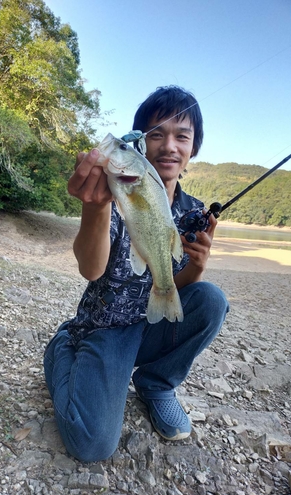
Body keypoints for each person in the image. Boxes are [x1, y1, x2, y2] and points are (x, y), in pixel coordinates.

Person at [44, 85, 229, 462]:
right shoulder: (116, 188)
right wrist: (95, 209)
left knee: (211, 300)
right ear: (141, 144)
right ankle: (65, 345)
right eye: (156, 134)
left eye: (182, 136)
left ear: (194, 148)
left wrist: (196, 265)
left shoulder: (195, 212)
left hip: (148, 323)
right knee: (92, 443)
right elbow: (90, 268)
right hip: (107, 326)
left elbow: (170, 288)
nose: (169, 145)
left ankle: (156, 383)